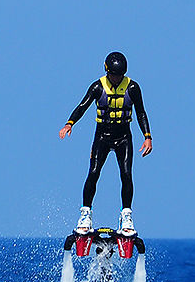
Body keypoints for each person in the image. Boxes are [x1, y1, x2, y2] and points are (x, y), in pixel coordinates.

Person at [59, 52, 152, 236]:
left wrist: (147, 136)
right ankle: (85, 214)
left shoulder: (133, 87)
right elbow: (82, 106)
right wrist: (69, 124)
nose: (117, 79)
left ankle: (126, 216)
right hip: (102, 136)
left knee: (126, 174)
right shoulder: (97, 87)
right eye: (114, 75)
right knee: (93, 173)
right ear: (107, 71)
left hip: (124, 137)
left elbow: (141, 112)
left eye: (120, 75)